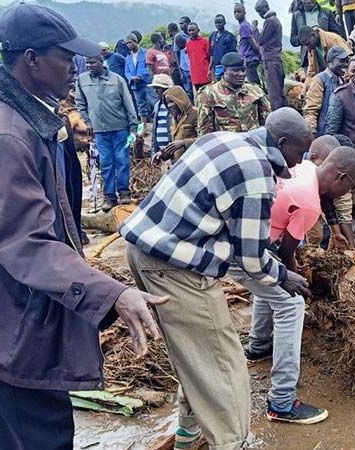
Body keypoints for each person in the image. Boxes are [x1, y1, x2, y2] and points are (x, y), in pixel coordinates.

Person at [0, 4, 166, 448]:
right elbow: (25, 241)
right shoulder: (9, 133)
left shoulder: (6, 108)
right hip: (15, 324)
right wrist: (112, 293)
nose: (75, 67)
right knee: (41, 436)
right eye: (64, 56)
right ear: (31, 59)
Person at [121, 107, 313, 449]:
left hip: (142, 252)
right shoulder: (257, 175)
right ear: (283, 143)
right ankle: (231, 443)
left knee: (193, 357)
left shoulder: (222, 140)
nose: (300, 162)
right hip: (177, 268)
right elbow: (252, 259)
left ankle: (187, 435)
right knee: (224, 368)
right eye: (300, 151)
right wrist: (285, 276)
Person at [246, 145, 355, 425]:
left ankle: (258, 346)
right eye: (350, 187)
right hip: (248, 247)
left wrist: (334, 230)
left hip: (251, 235)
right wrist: (298, 278)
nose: (348, 194)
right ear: (341, 177)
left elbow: (327, 201)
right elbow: (287, 253)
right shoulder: (309, 203)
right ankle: (282, 402)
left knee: (272, 282)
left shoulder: (308, 169)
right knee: (291, 301)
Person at [76, 54, 140, 210]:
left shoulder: (117, 79)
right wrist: (88, 122)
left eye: (93, 62)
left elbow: (128, 103)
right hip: (99, 131)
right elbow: (80, 103)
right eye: (87, 63)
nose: (89, 65)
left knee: (122, 160)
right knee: (105, 163)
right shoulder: (82, 80)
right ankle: (109, 196)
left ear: (101, 63)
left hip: (120, 128)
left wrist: (134, 126)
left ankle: (124, 192)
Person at [197, 52, 271, 135]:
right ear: (225, 70)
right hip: (227, 145)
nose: (241, 74)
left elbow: (268, 122)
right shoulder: (209, 94)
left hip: (253, 143)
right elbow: (204, 130)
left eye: (243, 70)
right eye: (236, 70)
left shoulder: (255, 91)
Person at [303, 46, 350, 136]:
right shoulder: (319, 80)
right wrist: (312, 133)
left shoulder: (343, 82)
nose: (346, 64)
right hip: (323, 135)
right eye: (342, 61)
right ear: (330, 62)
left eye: (347, 61)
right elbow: (311, 110)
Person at [152, 85, 197, 166]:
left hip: (195, 162)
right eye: (167, 103)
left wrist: (183, 143)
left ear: (180, 100)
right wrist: (162, 154)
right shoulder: (174, 120)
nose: (169, 105)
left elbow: (205, 139)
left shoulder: (195, 114)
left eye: (172, 101)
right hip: (180, 165)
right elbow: (174, 145)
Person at [255, 0, 287, 110]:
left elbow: (260, 40)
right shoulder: (275, 20)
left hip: (271, 60)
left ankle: (278, 121)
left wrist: (254, 29)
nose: (259, 14)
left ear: (266, 7)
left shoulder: (270, 21)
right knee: (278, 92)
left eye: (260, 11)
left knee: (274, 94)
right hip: (275, 59)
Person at [125, 33, 155, 129]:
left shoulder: (146, 53)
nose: (128, 45)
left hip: (146, 83)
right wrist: (131, 78)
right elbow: (127, 71)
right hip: (135, 85)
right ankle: (143, 128)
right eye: (127, 43)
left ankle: (157, 124)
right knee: (141, 106)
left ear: (135, 41)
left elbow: (150, 67)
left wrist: (141, 75)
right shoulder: (128, 57)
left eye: (130, 42)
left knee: (153, 103)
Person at [234, 3, 262, 85]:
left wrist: (259, 55)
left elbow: (253, 44)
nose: (237, 14)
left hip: (249, 59)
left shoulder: (244, 26)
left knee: (254, 84)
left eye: (239, 12)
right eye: (235, 12)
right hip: (248, 59)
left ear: (244, 13)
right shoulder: (245, 25)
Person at [148, 73, 174, 157]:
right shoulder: (157, 106)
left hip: (172, 149)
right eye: (154, 88)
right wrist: (153, 152)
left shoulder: (174, 105)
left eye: (158, 88)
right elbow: (154, 130)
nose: (155, 91)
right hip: (160, 151)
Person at [210, 14, 238, 81]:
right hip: (216, 67)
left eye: (220, 22)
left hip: (226, 67)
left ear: (224, 23)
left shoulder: (229, 37)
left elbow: (232, 53)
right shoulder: (212, 36)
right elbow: (211, 52)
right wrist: (210, 66)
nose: (218, 24)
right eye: (216, 23)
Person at [186, 23, 211, 93]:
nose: (191, 32)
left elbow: (209, 57)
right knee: (199, 94)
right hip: (195, 75)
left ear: (198, 30)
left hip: (205, 74)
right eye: (189, 30)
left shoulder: (204, 42)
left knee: (208, 93)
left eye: (193, 30)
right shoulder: (188, 44)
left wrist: (209, 70)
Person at [176, 33, 194, 100]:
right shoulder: (180, 51)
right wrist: (181, 73)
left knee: (193, 89)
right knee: (188, 90)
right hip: (185, 71)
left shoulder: (188, 48)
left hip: (191, 71)